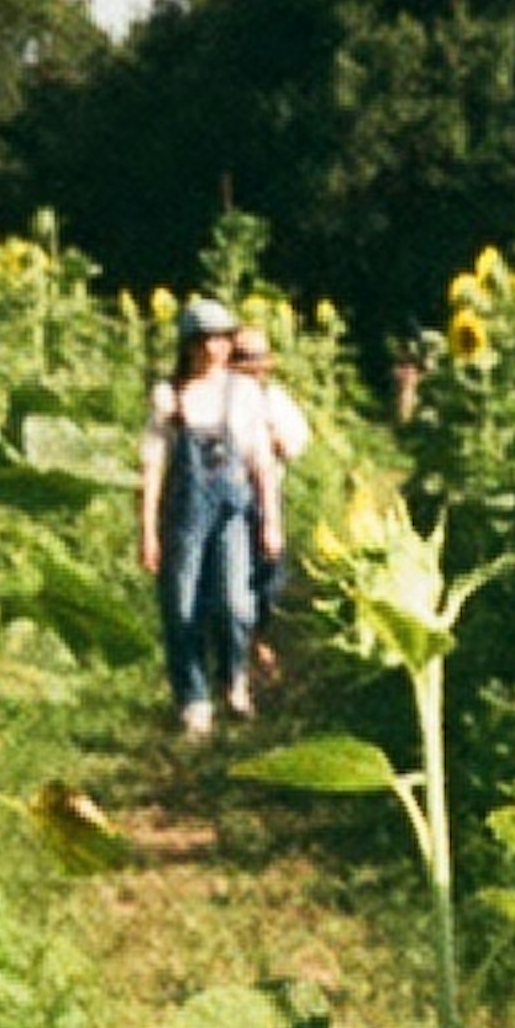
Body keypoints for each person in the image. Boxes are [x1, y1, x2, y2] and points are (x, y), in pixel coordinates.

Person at [137, 302, 283, 739]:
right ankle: (194, 700)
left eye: (221, 339)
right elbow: (153, 465)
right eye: (204, 340)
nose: (213, 349)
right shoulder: (170, 397)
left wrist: (271, 520)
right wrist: (147, 531)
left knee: (236, 603)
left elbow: (260, 459)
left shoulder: (244, 392)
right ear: (188, 345)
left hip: (233, 510)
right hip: (183, 514)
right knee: (181, 609)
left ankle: (234, 677)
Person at [230, 319, 314, 676]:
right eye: (242, 357)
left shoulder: (274, 400)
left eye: (257, 358)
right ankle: (236, 655)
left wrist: (273, 436)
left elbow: (295, 443)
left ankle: (258, 634)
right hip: (226, 498)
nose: (251, 366)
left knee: (269, 578)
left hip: (265, 500)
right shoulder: (216, 401)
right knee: (230, 578)